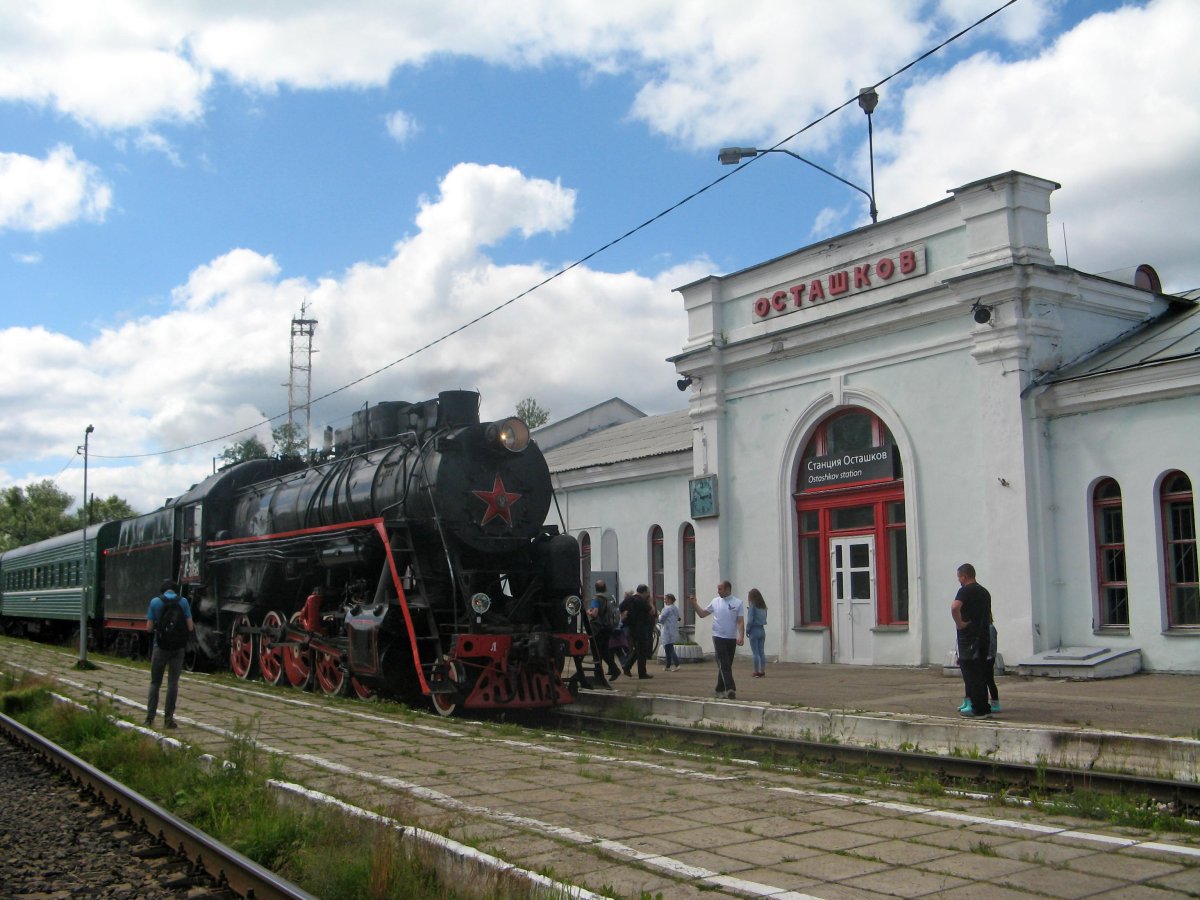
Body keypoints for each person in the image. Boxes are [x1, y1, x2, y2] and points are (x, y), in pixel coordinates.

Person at [144, 579, 194, 729]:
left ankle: (149, 718)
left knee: (155, 683)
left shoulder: (155, 602)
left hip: (160, 647)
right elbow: (190, 627)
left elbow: (148, 628)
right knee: (173, 683)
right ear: (175, 590)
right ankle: (168, 719)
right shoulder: (183, 602)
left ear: (163, 590)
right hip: (178, 649)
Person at [951, 563, 992, 719]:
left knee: (971, 675)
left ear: (965, 576)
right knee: (981, 673)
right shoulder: (984, 592)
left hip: (969, 638)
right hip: (983, 636)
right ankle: (985, 707)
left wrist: (960, 623)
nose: (959, 580)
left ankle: (978, 709)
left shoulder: (965, 591)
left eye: (959, 577)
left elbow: (955, 607)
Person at [692, 581, 744, 699]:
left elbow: (740, 621)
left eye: (720, 589)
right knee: (724, 663)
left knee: (726, 665)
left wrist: (741, 636)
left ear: (727, 589)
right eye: (718, 589)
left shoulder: (737, 603)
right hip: (718, 636)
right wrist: (694, 604)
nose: (718, 591)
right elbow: (702, 614)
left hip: (731, 637)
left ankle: (719, 689)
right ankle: (730, 689)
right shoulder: (716, 601)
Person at [587, 579, 622, 682]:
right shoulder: (610, 597)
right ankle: (613, 669)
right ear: (605, 587)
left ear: (596, 588)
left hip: (598, 629)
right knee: (605, 650)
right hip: (608, 627)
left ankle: (599, 675)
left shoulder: (596, 598)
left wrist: (589, 612)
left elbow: (595, 613)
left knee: (597, 652)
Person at [619, 585, 654, 679]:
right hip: (641, 628)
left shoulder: (630, 599)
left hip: (631, 627)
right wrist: (651, 602)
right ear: (645, 592)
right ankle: (642, 673)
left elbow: (620, 607)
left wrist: (625, 614)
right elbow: (652, 612)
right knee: (642, 650)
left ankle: (627, 666)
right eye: (648, 592)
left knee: (637, 649)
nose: (648, 594)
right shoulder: (641, 601)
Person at [746, 588, 768, 677]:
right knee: (762, 652)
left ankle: (756, 671)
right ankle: (762, 670)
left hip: (754, 630)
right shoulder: (763, 607)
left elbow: (750, 620)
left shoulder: (752, 607)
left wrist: (747, 630)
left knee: (755, 652)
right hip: (762, 630)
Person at [658, 594, 681, 671]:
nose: (664, 600)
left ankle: (677, 664)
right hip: (673, 630)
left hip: (667, 630)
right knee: (668, 647)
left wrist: (659, 615)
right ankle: (668, 666)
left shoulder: (666, 609)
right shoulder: (675, 608)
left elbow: (661, 620)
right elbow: (678, 618)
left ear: (670, 600)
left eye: (666, 599)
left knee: (669, 648)